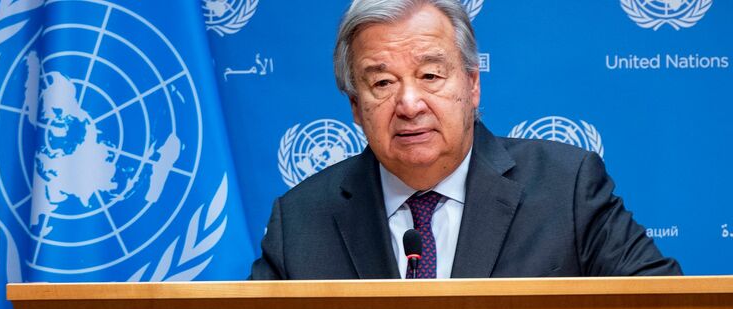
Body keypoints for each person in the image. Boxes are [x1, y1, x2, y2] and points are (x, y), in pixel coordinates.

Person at [250, 0, 681, 279]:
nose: (410, 103)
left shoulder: (566, 189)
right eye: (382, 83)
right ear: (356, 108)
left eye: (430, 75)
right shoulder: (302, 220)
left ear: (472, 86)